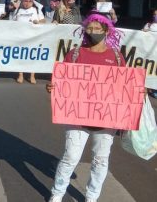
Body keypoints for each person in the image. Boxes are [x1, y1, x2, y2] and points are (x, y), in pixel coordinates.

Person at [46, 13, 131, 202]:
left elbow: (125, 86)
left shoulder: (116, 56)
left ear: (107, 31)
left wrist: (135, 92)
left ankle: (92, 197)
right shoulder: (75, 54)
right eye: (90, 29)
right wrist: (52, 86)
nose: (93, 32)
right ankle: (57, 193)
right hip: (76, 116)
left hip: (106, 118)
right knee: (70, 157)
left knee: (100, 160)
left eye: (98, 29)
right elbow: (62, 81)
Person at [12, 0, 45, 84]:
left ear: (32, 2)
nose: (26, 3)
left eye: (28, 1)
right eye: (25, 1)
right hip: (20, 37)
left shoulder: (36, 10)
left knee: (32, 56)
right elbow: (12, 22)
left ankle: (32, 75)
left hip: (33, 37)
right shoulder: (18, 10)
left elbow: (43, 21)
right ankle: (20, 74)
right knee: (20, 56)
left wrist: (37, 22)